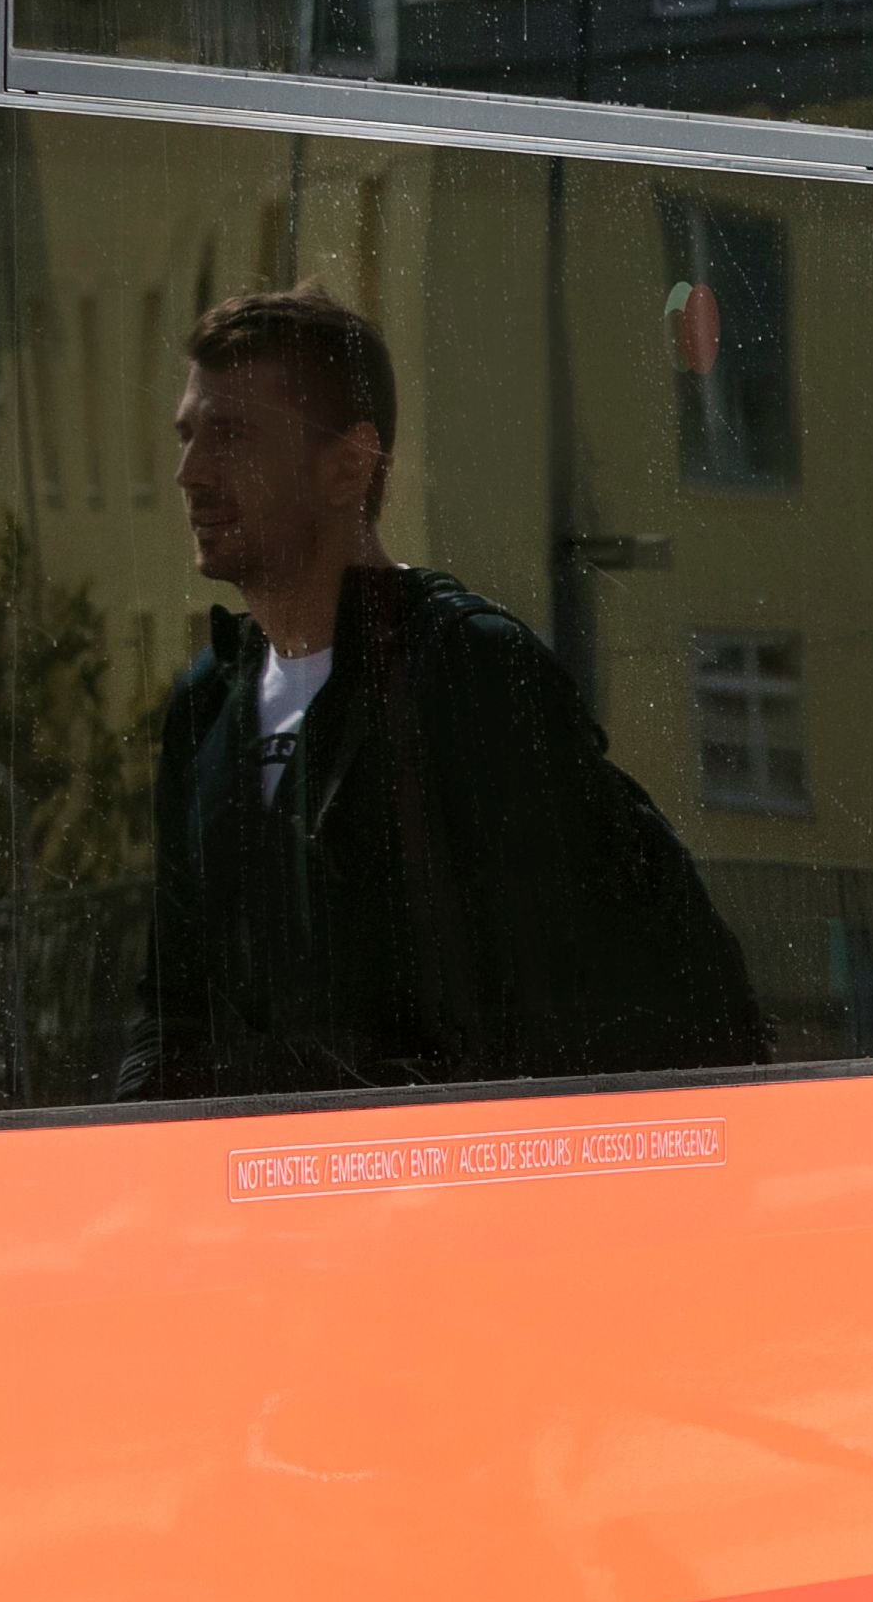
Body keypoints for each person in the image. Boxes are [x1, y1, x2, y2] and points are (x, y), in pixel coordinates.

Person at [126, 286, 768, 1102]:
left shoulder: (470, 673)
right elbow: (170, 1007)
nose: (189, 473)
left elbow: (589, 1012)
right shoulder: (205, 704)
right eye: (188, 435)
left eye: (231, 435)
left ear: (349, 465)